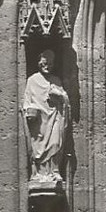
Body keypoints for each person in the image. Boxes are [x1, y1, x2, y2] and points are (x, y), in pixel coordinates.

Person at [22, 49, 70, 184]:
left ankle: (54, 171)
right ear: (39, 63)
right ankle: (38, 173)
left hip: (55, 117)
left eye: (50, 64)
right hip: (39, 122)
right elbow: (26, 101)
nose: (47, 66)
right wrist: (29, 111)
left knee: (55, 143)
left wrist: (59, 95)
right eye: (44, 63)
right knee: (37, 149)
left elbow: (65, 99)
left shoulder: (56, 80)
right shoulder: (32, 80)